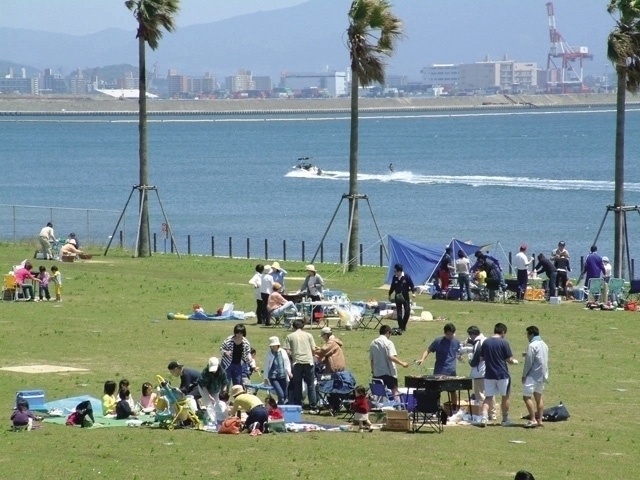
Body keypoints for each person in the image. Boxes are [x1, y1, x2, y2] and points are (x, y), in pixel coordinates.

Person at [478, 322, 519, 427]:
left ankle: (484, 418)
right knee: (505, 396)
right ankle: (505, 419)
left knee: (488, 397)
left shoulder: (486, 342)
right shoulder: (504, 342)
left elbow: (481, 358)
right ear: (503, 332)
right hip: (502, 374)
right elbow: (509, 359)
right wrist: (514, 361)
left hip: (489, 374)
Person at [417, 323, 462, 409]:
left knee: (453, 391)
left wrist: (460, 358)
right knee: (436, 391)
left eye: (452, 334)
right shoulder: (438, 341)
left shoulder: (456, 342)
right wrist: (422, 359)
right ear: (445, 333)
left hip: (451, 371)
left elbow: (459, 354)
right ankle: (434, 408)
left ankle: (454, 409)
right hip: (439, 371)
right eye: (448, 334)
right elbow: (428, 350)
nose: (450, 336)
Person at [460, 325, 495, 419]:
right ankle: (492, 413)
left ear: (472, 334)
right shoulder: (486, 340)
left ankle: (484, 414)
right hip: (489, 371)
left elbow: (475, 360)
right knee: (490, 393)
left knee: (481, 395)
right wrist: (469, 340)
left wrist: (469, 360)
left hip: (480, 372)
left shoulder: (478, 343)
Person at [284, 319, 318, 413]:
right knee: (311, 385)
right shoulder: (309, 335)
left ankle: (299, 406)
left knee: (297, 385)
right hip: (309, 362)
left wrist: (292, 356)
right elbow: (313, 349)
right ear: (302, 326)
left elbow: (287, 350)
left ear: (293, 327)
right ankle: (313, 407)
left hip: (297, 362)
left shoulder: (289, 336)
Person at [369, 324, 409, 401]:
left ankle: (379, 407)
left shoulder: (373, 343)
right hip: (388, 373)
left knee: (379, 393)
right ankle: (398, 408)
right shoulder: (388, 343)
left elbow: (372, 360)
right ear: (387, 332)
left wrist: (373, 371)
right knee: (395, 391)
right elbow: (391, 357)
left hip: (377, 373)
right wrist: (402, 363)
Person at [522, 325, 549, 428]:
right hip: (542, 375)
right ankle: (540, 420)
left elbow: (528, 362)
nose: (527, 337)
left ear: (531, 334)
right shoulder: (544, 345)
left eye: (527, 334)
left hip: (532, 375)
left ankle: (533, 419)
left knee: (526, 397)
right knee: (539, 397)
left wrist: (524, 375)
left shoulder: (532, 345)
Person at [197, 356, 229, 424]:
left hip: (215, 389)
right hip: (204, 389)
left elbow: (225, 382)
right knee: (209, 404)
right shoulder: (205, 372)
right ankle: (213, 422)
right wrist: (209, 396)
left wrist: (223, 392)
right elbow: (203, 385)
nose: (213, 371)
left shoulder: (222, 372)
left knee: (217, 404)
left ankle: (212, 418)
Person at [263, 336, 292, 405]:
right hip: (273, 377)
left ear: (278, 345)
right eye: (272, 346)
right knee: (281, 394)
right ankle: (280, 409)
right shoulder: (269, 353)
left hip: (283, 376)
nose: (273, 347)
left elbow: (287, 363)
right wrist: (265, 378)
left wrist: (289, 372)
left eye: (275, 346)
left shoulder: (283, 352)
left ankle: (278, 408)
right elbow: (266, 366)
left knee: (285, 395)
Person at [388, 263, 415, 331]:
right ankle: (400, 327)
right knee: (399, 313)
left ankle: (403, 325)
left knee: (407, 311)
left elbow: (412, 285)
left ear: (399, 271)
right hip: (398, 296)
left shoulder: (406, 277)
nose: (394, 273)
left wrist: (413, 293)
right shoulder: (395, 277)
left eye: (395, 271)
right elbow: (392, 286)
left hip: (405, 296)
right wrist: (389, 294)